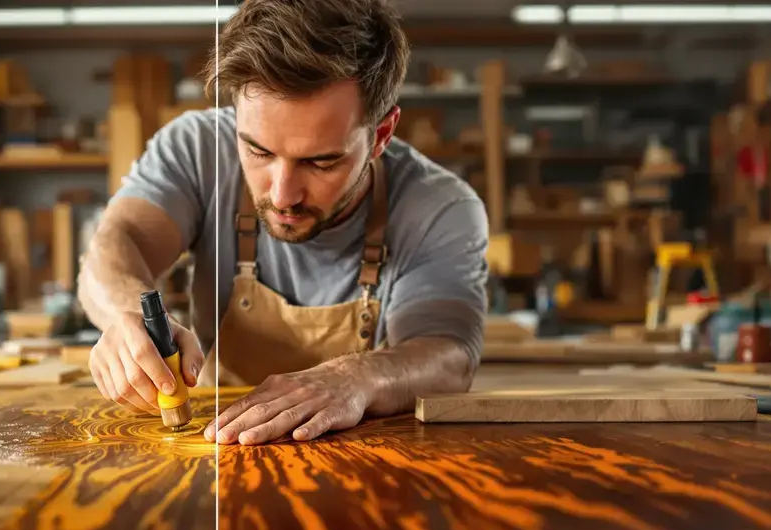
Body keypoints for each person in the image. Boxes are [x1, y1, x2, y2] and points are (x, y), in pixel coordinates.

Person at [77, 0, 488, 445]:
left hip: (360, 456)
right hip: (220, 446)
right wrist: (126, 314)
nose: (281, 193)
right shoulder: (195, 149)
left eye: (320, 161)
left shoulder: (440, 206)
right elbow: (118, 242)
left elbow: (449, 355)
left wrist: (355, 377)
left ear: (381, 135)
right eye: (258, 151)